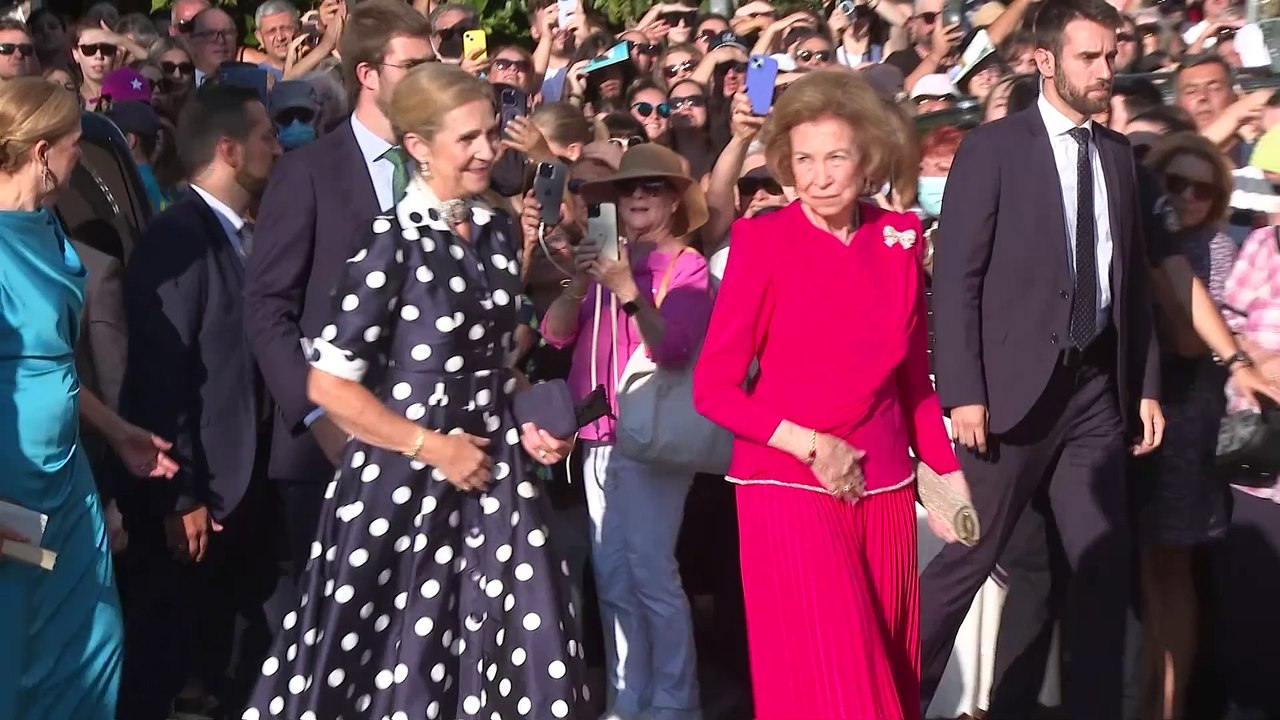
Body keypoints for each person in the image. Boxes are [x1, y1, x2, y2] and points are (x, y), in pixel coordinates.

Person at [242, 62, 583, 720]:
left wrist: (530, 418)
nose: (487, 151)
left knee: (509, 667)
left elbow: (496, 365)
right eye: (468, 138)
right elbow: (329, 384)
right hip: (402, 491)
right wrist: (432, 447)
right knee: (392, 672)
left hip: (494, 485)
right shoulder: (391, 241)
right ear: (418, 146)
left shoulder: (497, 233)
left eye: (491, 134)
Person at [692, 70, 964, 720]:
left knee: (889, 669)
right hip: (789, 485)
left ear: (866, 159)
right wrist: (811, 446)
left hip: (886, 488)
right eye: (803, 160)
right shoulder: (761, 240)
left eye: (835, 157)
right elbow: (713, 389)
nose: (818, 177)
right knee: (840, 682)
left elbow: (913, 384)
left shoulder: (898, 239)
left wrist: (948, 477)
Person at [921, 2, 1163, 719]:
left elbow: (1132, 282)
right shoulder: (993, 148)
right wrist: (963, 390)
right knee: (968, 558)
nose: (1105, 71)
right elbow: (956, 278)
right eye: (1090, 57)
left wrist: (1144, 385)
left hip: (1094, 393)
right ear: (1046, 61)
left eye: (1111, 56)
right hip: (1005, 399)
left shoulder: (1118, 155)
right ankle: (885, 697)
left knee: (1100, 565)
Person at [0, 77, 175, 720]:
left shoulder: (47, 224)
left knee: (92, 641)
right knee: (18, 648)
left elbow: (55, 367)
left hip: (66, 481)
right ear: (42, 151)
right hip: (9, 488)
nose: (84, 158)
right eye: (77, 144)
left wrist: (117, 430)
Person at [246, 0, 432, 585]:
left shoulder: (439, 169)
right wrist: (316, 416)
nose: (428, 79)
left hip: (427, 439)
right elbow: (267, 308)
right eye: (412, 67)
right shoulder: (308, 172)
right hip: (332, 449)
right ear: (367, 74)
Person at [117, 83, 284, 720]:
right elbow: (161, 376)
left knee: (221, 658)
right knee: (164, 660)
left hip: (242, 488)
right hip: (195, 494)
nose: (277, 148)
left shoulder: (247, 234)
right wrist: (179, 495)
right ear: (229, 150)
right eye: (266, 136)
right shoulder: (178, 238)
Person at [538, 142, 713, 720]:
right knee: (613, 578)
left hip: (653, 441)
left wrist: (625, 288)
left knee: (651, 573)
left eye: (652, 187)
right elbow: (555, 334)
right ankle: (627, 697)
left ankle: (675, 702)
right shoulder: (604, 262)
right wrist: (579, 279)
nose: (637, 195)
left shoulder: (686, 266)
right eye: (627, 188)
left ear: (675, 201)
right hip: (596, 440)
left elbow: (673, 348)